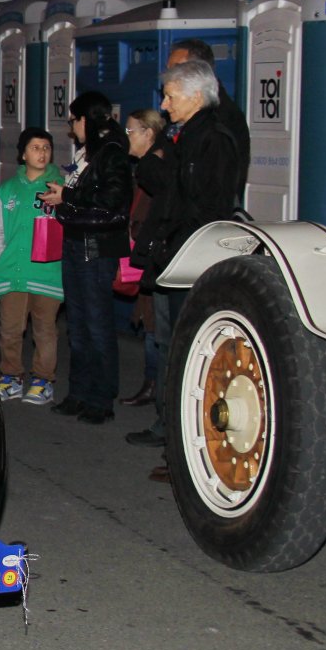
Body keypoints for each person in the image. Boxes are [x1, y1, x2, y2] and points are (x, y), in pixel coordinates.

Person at [127, 59, 250, 456]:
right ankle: (168, 426)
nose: (164, 105)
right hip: (174, 256)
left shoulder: (214, 139)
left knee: (188, 348)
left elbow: (203, 204)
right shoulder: (185, 136)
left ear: (196, 96)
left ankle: (185, 440)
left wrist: (181, 242)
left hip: (191, 259)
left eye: (170, 96)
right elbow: (169, 188)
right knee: (171, 345)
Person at [40, 97, 133, 425]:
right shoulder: (88, 152)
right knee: (77, 324)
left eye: (73, 121)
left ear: (86, 120)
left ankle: (101, 398)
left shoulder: (112, 152)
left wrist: (68, 195)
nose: (71, 128)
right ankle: (79, 392)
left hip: (95, 245)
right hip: (75, 240)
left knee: (96, 323)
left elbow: (113, 198)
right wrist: (63, 195)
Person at [0, 127, 65, 406]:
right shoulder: (8, 190)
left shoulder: (61, 188)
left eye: (46, 148)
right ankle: (11, 377)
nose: (42, 153)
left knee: (45, 330)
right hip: (13, 273)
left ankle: (43, 380)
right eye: (35, 148)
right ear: (23, 154)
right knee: (10, 330)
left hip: (48, 273)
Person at [119, 108, 167, 408]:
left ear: (148, 133)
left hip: (156, 257)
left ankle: (155, 385)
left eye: (130, 131)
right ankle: (152, 384)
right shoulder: (143, 168)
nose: (127, 137)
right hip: (147, 255)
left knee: (154, 325)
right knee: (150, 321)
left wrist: (135, 232)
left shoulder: (155, 168)